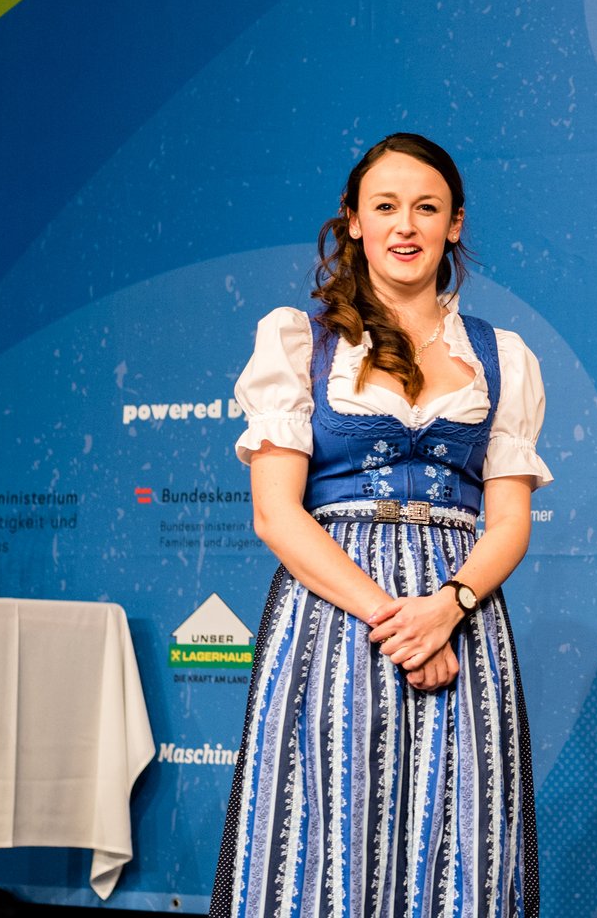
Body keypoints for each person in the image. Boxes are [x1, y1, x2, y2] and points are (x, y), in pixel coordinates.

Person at [210, 133, 551, 917]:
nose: (406, 225)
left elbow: (508, 522)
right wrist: (396, 621)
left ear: (454, 224)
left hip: (461, 622)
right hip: (335, 618)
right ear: (355, 221)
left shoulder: (503, 356)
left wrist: (446, 609)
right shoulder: (300, 341)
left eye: (426, 208)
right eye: (386, 206)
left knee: (461, 832)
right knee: (327, 834)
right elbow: (275, 513)